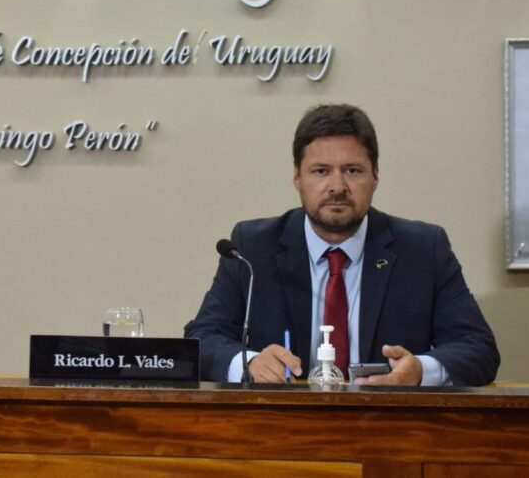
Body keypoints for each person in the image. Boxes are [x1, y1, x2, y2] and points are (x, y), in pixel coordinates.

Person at [184, 104, 500, 387]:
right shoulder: (253, 248)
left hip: (387, 424)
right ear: (297, 177)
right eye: (321, 171)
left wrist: (419, 371)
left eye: (352, 171)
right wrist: (249, 363)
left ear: (375, 176)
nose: (337, 186)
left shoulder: (422, 249)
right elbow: (201, 339)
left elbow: (477, 348)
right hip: (281, 424)